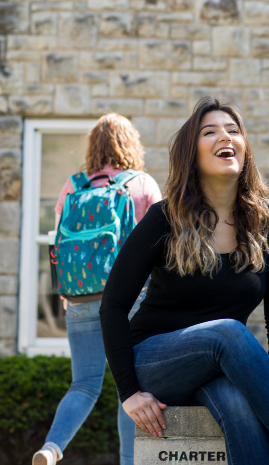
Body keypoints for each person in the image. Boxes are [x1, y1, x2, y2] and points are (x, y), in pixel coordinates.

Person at [99, 97, 269, 465]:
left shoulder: (268, 221)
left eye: (233, 130)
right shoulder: (167, 218)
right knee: (226, 332)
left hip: (220, 365)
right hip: (155, 362)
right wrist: (128, 391)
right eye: (209, 131)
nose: (225, 136)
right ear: (191, 153)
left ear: (244, 147)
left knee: (241, 409)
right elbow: (113, 304)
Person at [33, 114, 162, 465]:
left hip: (79, 295)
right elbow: (164, 244)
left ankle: (51, 448)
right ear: (131, 144)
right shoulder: (142, 183)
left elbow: (56, 239)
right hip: (129, 298)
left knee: (84, 384)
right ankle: (128, 461)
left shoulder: (72, 186)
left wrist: (64, 289)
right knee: (130, 386)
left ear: (93, 146)